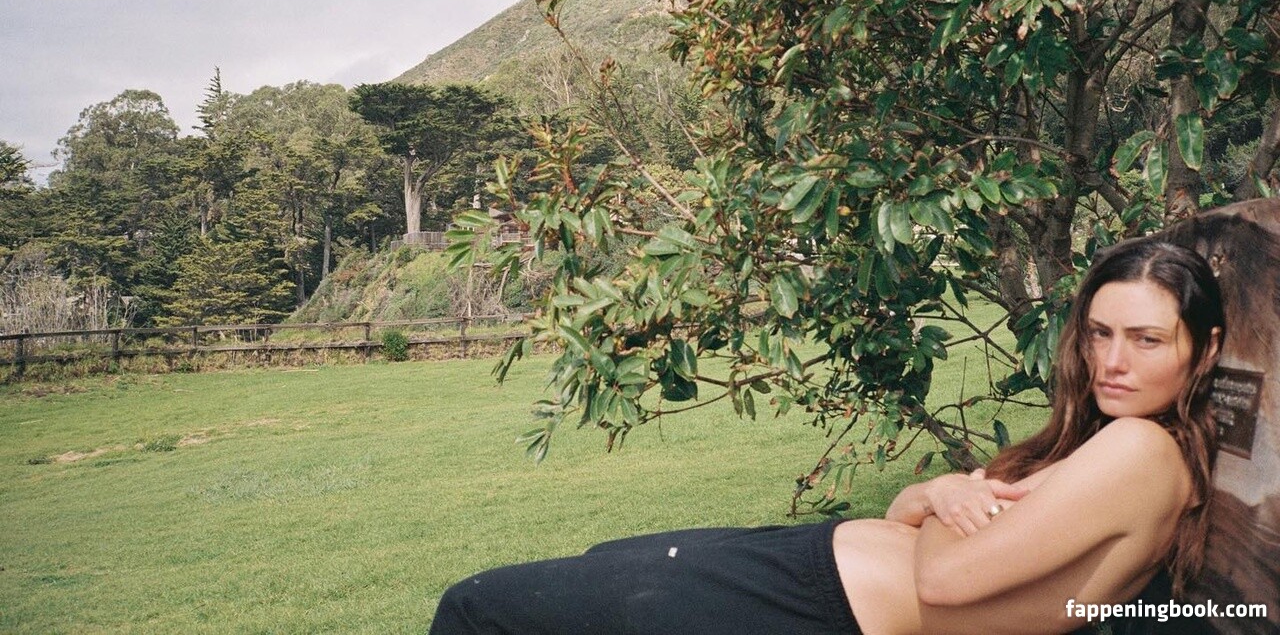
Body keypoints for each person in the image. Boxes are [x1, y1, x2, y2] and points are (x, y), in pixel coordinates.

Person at [429, 238, 1224, 634]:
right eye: (1099, 333)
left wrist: (952, 497)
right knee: (573, 575)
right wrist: (940, 493)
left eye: (1147, 340)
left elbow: (944, 581)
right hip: (803, 578)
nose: (1112, 361)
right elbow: (912, 514)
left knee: (478, 610)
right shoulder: (1117, 441)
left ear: (1207, 349)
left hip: (809, 606)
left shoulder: (1141, 450)